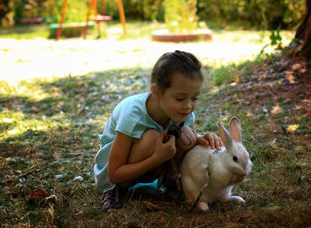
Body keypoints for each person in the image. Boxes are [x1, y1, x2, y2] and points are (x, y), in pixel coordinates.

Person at [93, 50, 223, 211]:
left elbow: (189, 143)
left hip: (153, 164)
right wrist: (157, 158)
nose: (189, 105)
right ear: (156, 92)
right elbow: (114, 173)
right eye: (180, 98)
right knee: (152, 138)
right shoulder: (132, 114)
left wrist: (202, 138)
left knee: (188, 136)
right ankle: (117, 189)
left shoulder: (183, 111)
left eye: (194, 98)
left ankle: (171, 182)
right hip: (118, 173)